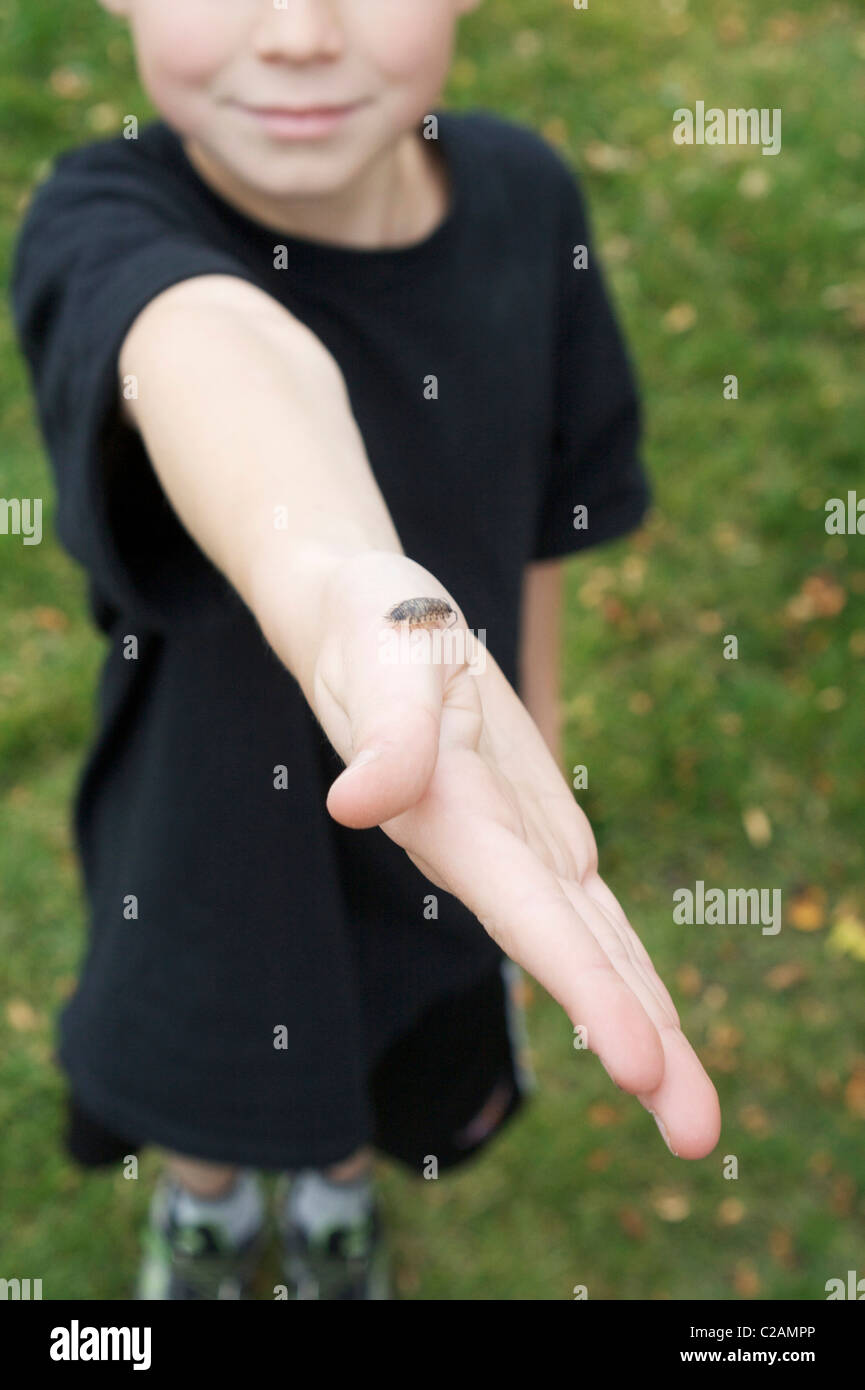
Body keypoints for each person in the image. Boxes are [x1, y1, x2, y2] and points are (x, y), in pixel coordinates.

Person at [10, 0, 720, 1301]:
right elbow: (208, 343)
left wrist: (537, 743)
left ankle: (338, 1199)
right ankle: (205, 1210)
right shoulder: (93, 210)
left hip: (449, 801)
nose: (293, 31)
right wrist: (337, 576)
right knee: (208, 1057)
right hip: (198, 829)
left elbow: (547, 525)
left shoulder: (527, 195)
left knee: (376, 1041)